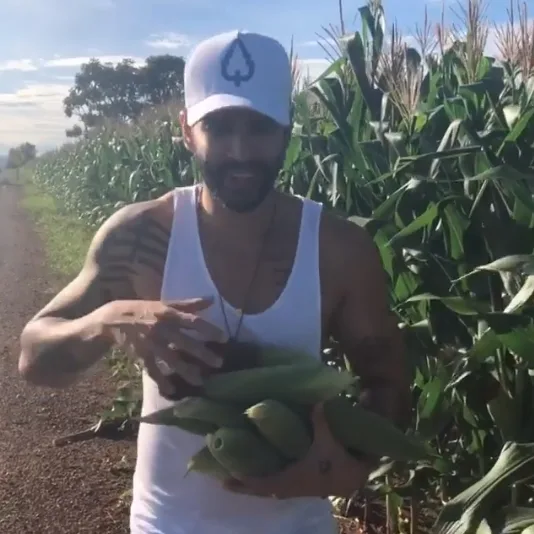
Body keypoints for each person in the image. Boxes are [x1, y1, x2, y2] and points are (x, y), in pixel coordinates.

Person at [18, 30, 411, 534]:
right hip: (167, 524)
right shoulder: (140, 237)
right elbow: (34, 358)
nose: (240, 151)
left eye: (260, 127)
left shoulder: (338, 251)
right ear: (187, 130)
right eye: (219, 128)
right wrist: (110, 319)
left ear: (288, 128)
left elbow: (388, 381)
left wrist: (349, 466)